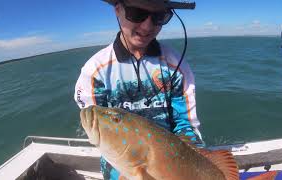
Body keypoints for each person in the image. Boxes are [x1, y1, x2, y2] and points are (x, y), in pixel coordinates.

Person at [74, 0, 203, 179]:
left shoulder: (177, 65)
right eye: (137, 13)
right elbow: (100, 132)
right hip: (120, 164)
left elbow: (185, 124)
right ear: (118, 10)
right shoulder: (95, 71)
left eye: (159, 16)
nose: (147, 25)